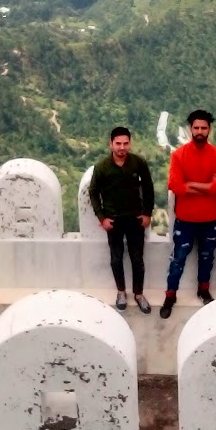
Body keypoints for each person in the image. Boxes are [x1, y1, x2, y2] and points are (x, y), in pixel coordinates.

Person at [160, 109, 216, 319]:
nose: (199, 131)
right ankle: (170, 296)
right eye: (196, 128)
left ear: (209, 129)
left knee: (207, 258)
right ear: (190, 129)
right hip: (185, 220)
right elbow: (175, 186)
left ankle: (203, 290)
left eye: (203, 128)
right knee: (177, 259)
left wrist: (192, 185)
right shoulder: (179, 155)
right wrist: (206, 185)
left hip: (210, 219)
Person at [89, 126, 155, 312]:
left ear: (130, 143)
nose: (122, 147)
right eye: (118, 143)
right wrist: (102, 217)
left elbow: (148, 188)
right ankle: (121, 292)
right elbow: (93, 192)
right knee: (116, 258)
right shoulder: (102, 167)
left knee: (137, 259)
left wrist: (147, 213)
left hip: (135, 219)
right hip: (114, 220)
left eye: (125, 143)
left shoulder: (138, 163)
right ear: (111, 144)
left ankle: (139, 294)